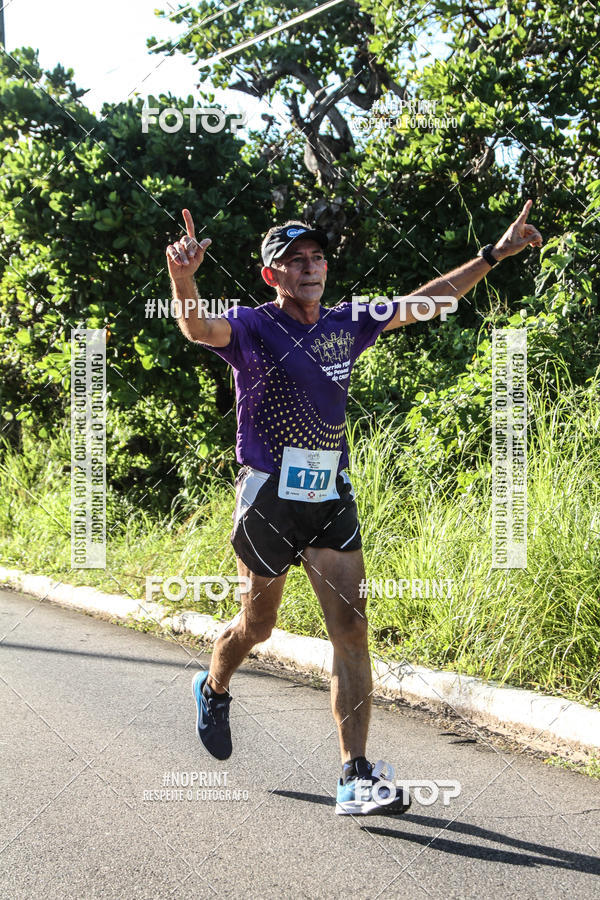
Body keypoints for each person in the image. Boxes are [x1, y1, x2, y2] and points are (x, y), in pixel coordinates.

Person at [166, 203, 542, 815]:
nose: (310, 267)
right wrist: (184, 278)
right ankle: (212, 685)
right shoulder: (253, 326)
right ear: (272, 276)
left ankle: (355, 775)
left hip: (331, 493)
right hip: (268, 497)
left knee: (351, 629)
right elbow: (197, 329)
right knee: (257, 626)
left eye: (316, 257)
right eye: (294, 260)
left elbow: (429, 299)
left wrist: (493, 255)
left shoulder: (347, 322)